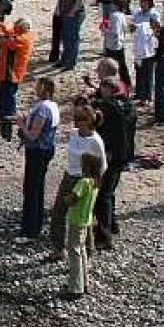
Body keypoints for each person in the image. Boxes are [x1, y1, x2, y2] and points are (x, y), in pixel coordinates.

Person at [49, 104, 106, 261]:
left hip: (83, 179)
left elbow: (103, 165)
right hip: (69, 175)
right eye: (76, 118)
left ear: (90, 121)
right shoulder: (74, 134)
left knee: (83, 216)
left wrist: (92, 183)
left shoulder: (96, 141)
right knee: (58, 212)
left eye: (81, 119)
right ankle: (58, 248)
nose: (78, 122)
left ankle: (87, 251)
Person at [91, 78, 137, 249]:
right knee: (110, 191)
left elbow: (97, 110)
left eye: (103, 89)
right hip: (123, 155)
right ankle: (113, 224)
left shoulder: (109, 107)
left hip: (110, 155)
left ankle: (104, 236)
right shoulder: (129, 106)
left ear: (109, 90)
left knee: (102, 195)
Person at [17, 78, 59, 240]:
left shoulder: (42, 109)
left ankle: (30, 227)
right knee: (37, 187)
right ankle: (36, 223)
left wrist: (21, 124)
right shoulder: (53, 106)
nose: (35, 89)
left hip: (38, 152)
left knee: (31, 188)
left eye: (39, 87)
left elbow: (33, 135)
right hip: (46, 149)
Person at [63, 152, 103, 300]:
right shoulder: (95, 183)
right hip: (86, 221)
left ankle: (75, 287)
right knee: (82, 251)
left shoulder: (83, 182)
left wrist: (66, 199)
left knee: (74, 252)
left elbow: (73, 199)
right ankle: (85, 282)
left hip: (76, 220)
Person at [40, 0, 86, 71]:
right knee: (66, 38)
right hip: (65, 14)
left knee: (72, 39)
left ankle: (70, 62)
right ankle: (64, 60)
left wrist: (72, 12)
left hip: (73, 15)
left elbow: (80, 0)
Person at [0, 18, 33, 130]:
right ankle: (0, 114)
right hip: (8, 70)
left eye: (17, 27)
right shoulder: (19, 34)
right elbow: (8, 32)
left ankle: (9, 116)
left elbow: (8, 42)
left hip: (13, 71)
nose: (14, 29)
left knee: (9, 94)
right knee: (3, 92)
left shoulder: (23, 38)